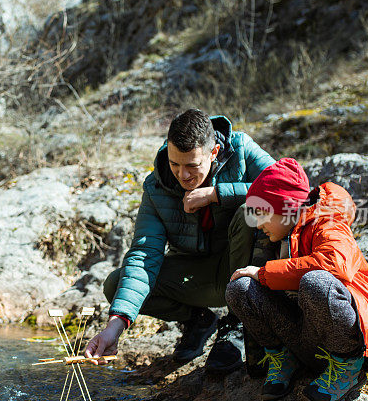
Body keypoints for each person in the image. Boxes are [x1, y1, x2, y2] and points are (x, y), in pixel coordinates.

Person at [84, 108, 275, 371]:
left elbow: (286, 189)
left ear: (214, 152)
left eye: (192, 166)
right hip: (195, 275)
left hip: (242, 270)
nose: (183, 175)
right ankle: (198, 320)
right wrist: (114, 327)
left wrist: (216, 195)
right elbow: (143, 255)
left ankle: (237, 322)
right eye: (175, 164)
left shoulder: (241, 148)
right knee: (115, 284)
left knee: (248, 212)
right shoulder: (156, 186)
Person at [226, 158, 368, 401]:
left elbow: (334, 265)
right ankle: (283, 358)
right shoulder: (278, 235)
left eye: (263, 213)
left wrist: (264, 273)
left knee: (317, 282)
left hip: (347, 340)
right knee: (240, 288)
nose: (258, 223)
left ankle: (347, 366)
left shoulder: (328, 223)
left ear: (286, 207)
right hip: (305, 339)